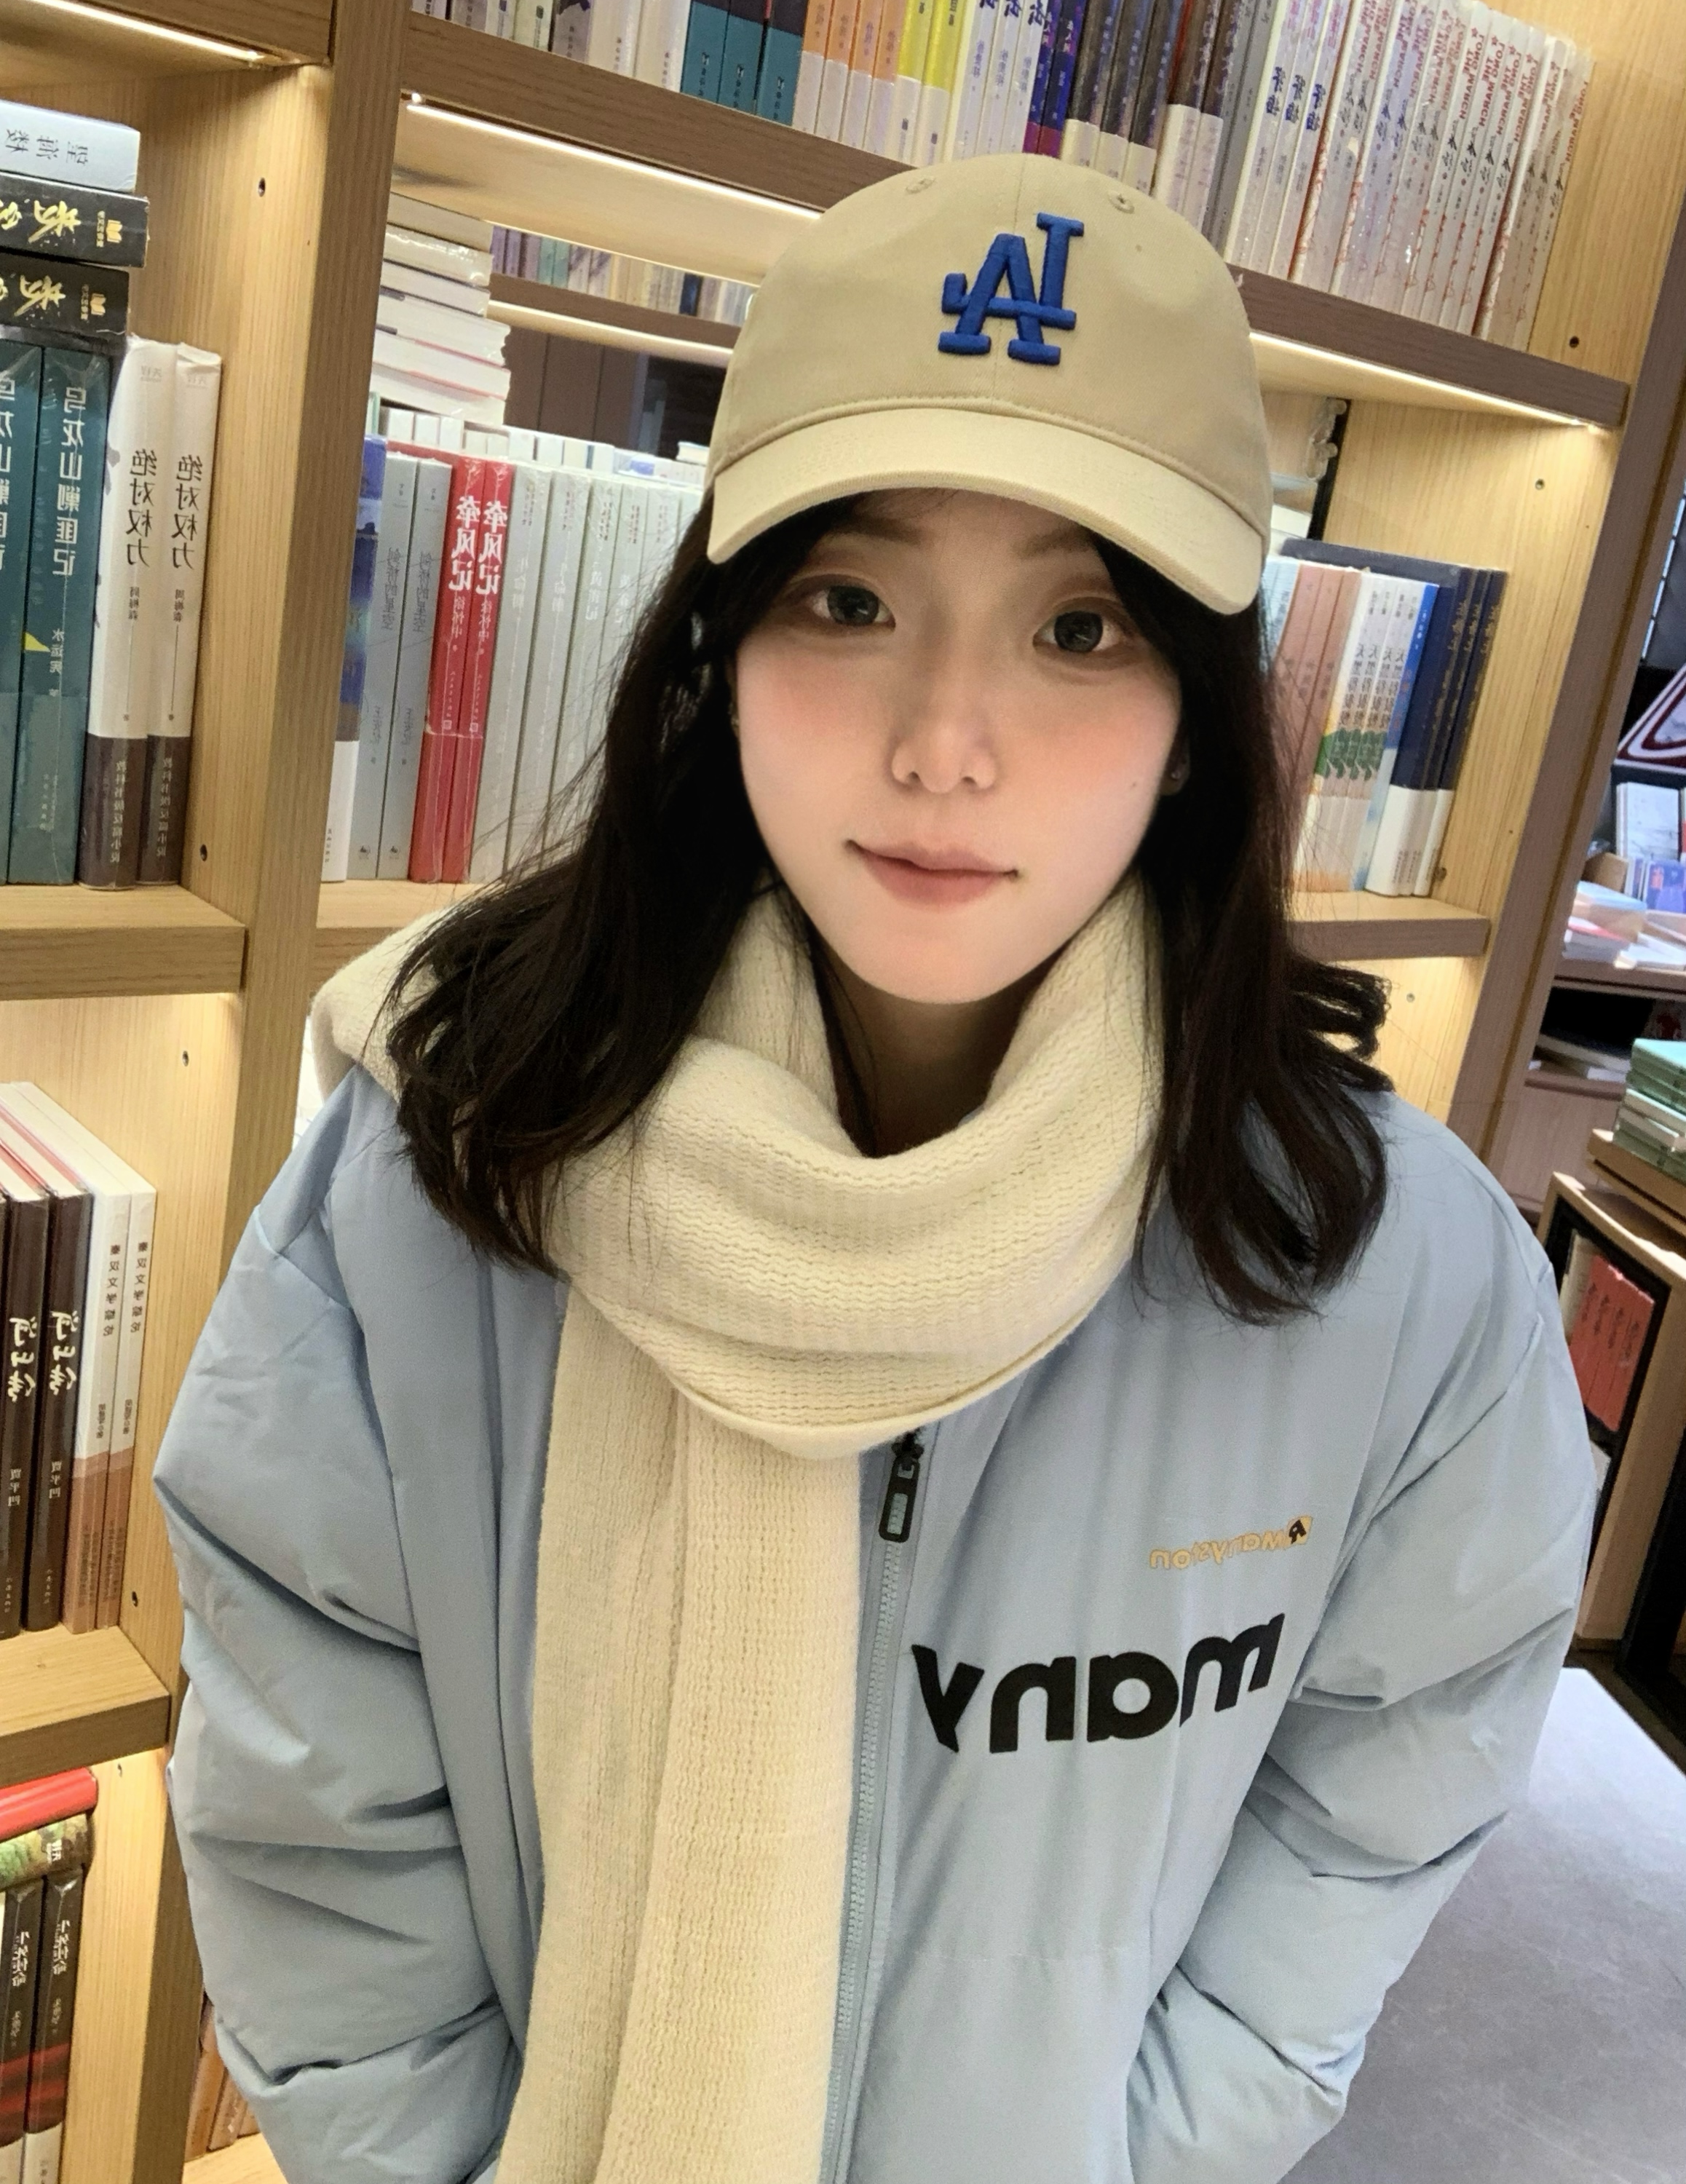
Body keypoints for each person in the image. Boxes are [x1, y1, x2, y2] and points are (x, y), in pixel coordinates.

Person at [154, 153, 1592, 2184]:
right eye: (849, 600)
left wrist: (1141, 2147)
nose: (943, 743)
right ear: (717, 644)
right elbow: (313, 1819)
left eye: (1078, 625)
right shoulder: (434, 1169)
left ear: (1196, 718)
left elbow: (1382, 1782)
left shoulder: (1395, 1275)